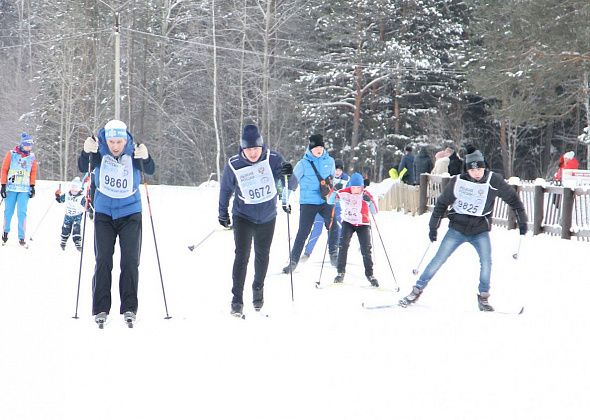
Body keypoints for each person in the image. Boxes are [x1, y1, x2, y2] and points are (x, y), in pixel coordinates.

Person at [399, 148, 528, 312]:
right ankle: (416, 290)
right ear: (467, 169)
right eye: (472, 169)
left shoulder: (492, 180)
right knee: (438, 259)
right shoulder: (458, 181)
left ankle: (483, 297)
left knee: (487, 262)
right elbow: (441, 204)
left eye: (479, 169)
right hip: (457, 229)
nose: (477, 173)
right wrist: (433, 227)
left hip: (480, 230)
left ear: (485, 167)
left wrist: (522, 221)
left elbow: (513, 200)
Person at [78, 119, 155, 327]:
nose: (115, 146)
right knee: (103, 259)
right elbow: (81, 165)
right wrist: (86, 152)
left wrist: (146, 157)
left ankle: (129, 307)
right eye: (111, 142)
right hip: (104, 213)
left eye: (118, 142)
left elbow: (150, 169)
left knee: (130, 261)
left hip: (131, 213)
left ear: (125, 140)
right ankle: (101, 308)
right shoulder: (99, 151)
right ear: (106, 140)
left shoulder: (133, 150)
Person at [219, 124, 292, 317]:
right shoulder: (234, 163)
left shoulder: (274, 159)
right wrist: (222, 212)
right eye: (248, 149)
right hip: (243, 215)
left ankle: (258, 289)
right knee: (242, 256)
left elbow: (289, 183)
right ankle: (236, 300)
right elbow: (226, 189)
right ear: (242, 149)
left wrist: (288, 174)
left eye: (256, 148)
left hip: (267, 216)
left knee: (262, 255)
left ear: (262, 146)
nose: (252, 153)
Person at [282, 134, 338, 273]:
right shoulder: (303, 164)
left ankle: (334, 255)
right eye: (316, 148)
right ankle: (293, 261)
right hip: (308, 202)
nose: (318, 150)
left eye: (320, 147)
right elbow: (292, 182)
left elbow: (332, 179)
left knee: (333, 226)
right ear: (310, 148)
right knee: (303, 232)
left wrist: (332, 192)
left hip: (325, 200)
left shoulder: (330, 161)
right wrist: (284, 200)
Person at [330, 173, 379, 287]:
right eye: (353, 187)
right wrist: (334, 191)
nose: (356, 190)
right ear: (350, 185)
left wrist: (369, 202)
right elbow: (330, 201)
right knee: (343, 246)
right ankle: (340, 272)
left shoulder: (366, 194)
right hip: (348, 222)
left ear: (362, 187)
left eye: (358, 187)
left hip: (363, 223)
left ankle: (370, 275)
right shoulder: (345, 192)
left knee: (366, 249)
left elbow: (375, 211)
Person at [301, 159, 349, 261]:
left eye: (340, 170)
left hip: (336, 207)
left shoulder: (346, 179)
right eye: (336, 169)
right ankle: (307, 253)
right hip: (323, 206)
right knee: (317, 230)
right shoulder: (327, 176)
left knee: (338, 229)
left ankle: (336, 253)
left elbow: (352, 191)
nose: (337, 172)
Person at [1, 132, 38, 248]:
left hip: (24, 189)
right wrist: (3, 185)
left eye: (30, 146)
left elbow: (33, 172)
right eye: (26, 145)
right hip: (11, 188)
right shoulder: (11, 154)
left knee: (22, 213)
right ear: (22, 145)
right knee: (8, 212)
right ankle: (5, 232)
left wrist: (32, 186)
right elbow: (4, 169)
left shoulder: (32, 157)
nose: (28, 148)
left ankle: (21, 237)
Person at [55, 176, 88, 251]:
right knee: (65, 227)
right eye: (72, 187)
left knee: (76, 228)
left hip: (77, 215)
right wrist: (57, 196)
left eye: (76, 188)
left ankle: (77, 242)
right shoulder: (67, 195)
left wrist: (88, 205)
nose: (74, 190)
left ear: (79, 189)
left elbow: (85, 205)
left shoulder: (81, 197)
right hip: (68, 215)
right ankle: (63, 241)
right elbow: (60, 200)